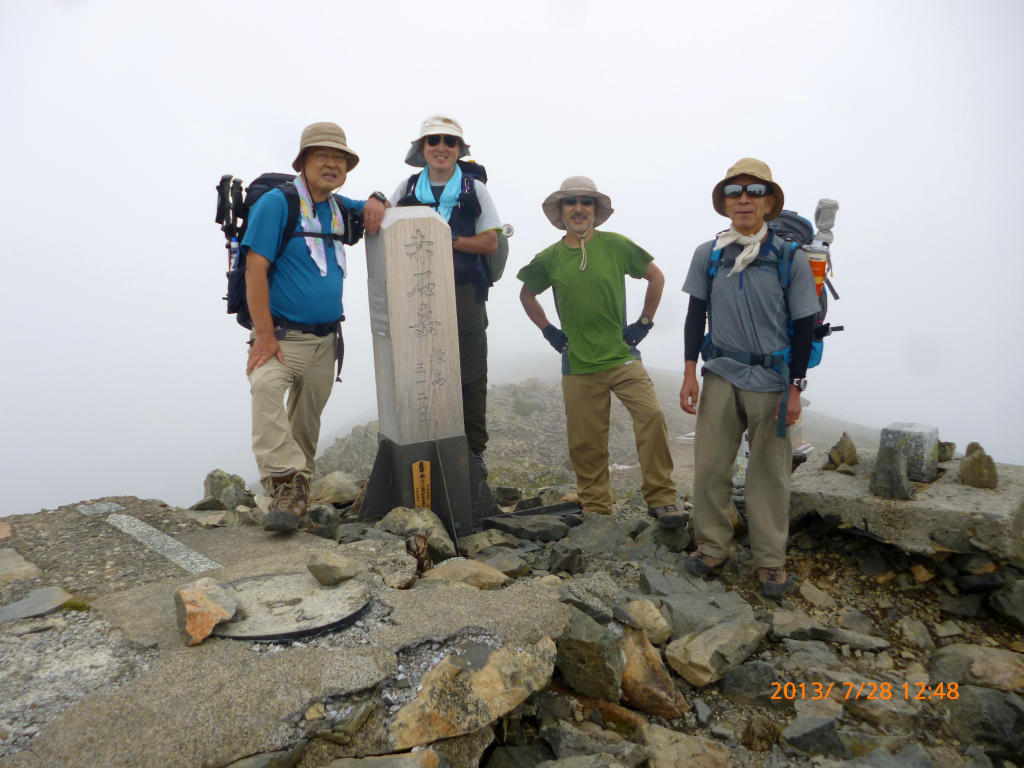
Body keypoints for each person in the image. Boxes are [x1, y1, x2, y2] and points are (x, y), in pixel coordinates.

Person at [679, 158, 819, 598]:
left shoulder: (789, 258)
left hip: (771, 381)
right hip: (720, 373)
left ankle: (770, 561)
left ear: (768, 203)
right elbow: (695, 315)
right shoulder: (710, 254)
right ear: (724, 203)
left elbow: (804, 326)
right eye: (735, 191)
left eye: (754, 191)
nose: (744, 199)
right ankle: (713, 546)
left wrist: (795, 387)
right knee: (710, 467)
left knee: (770, 475)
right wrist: (689, 371)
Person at [243, 122, 389, 532]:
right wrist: (265, 335)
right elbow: (255, 268)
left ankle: (292, 505)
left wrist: (377, 198)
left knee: (305, 426)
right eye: (322, 155)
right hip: (282, 337)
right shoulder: (278, 203)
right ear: (303, 161)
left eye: (340, 158)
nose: (332, 163)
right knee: (266, 389)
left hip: (327, 340)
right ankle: (287, 485)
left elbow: (377, 206)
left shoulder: (339, 208)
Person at [517, 177, 682, 526]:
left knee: (651, 417)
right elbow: (526, 295)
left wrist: (645, 322)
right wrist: (548, 330)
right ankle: (596, 509)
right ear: (560, 212)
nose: (579, 208)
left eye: (586, 202)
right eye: (570, 202)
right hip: (577, 364)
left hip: (622, 358)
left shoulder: (616, 245)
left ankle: (662, 499)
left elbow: (656, 276)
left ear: (595, 210)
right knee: (586, 442)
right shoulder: (549, 258)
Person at [389, 114, 503, 477]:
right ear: (422, 148)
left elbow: (490, 242)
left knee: (470, 372)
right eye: (433, 140)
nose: (441, 147)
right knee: (417, 367)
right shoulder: (406, 189)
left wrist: (445, 239)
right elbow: (386, 233)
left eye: (449, 141)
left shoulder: (475, 190)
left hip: (464, 292)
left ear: (459, 150)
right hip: (415, 293)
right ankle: (422, 442)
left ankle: (474, 451)